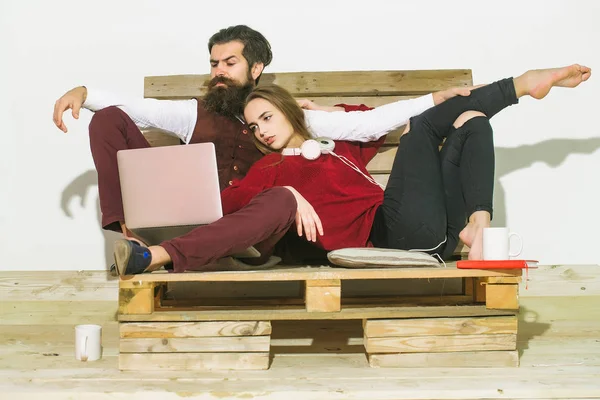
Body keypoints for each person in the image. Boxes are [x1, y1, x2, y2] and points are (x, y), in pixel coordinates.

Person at [53, 24, 471, 271]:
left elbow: (369, 123)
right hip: (187, 216)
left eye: (229, 63)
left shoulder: (287, 119)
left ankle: (156, 257)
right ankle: (120, 234)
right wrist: (85, 92)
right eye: (214, 63)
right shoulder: (193, 113)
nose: (218, 72)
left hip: (253, 234)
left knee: (279, 199)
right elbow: (132, 110)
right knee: (107, 118)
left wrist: (437, 100)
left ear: (256, 69)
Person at [111, 64, 591, 275]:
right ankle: (523, 85)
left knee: (472, 123)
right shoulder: (268, 172)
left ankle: (476, 226)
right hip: (392, 234)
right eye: (254, 126)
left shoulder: (336, 146)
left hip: (432, 225)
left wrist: (324, 111)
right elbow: (226, 211)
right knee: (424, 125)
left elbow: (367, 118)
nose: (261, 131)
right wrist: (288, 197)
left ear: (290, 113)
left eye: (268, 117)